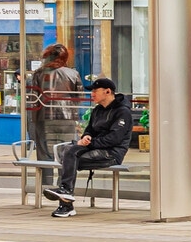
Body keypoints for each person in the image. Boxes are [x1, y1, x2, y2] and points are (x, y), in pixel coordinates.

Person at [44, 77, 132, 219]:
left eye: (95, 91)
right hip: (94, 147)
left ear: (108, 92)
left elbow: (114, 138)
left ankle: (65, 202)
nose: (92, 94)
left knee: (69, 159)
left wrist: (90, 143)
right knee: (69, 153)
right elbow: (90, 129)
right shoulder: (97, 110)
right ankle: (65, 194)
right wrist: (87, 136)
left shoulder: (123, 112)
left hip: (112, 153)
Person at [25, 44, 81, 163]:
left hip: (43, 118)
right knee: (66, 154)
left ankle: (46, 181)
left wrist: (34, 121)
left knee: (45, 155)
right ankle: (64, 181)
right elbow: (79, 97)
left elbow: (33, 100)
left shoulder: (39, 73)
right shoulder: (73, 74)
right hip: (67, 119)